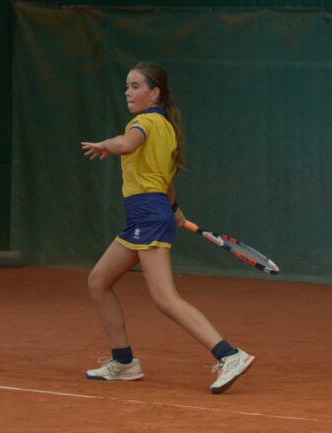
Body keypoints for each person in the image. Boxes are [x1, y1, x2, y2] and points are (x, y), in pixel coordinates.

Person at [80, 62, 254, 394]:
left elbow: (127, 144)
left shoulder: (144, 123)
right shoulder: (166, 128)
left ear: (154, 93)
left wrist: (106, 143)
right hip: (149, 213)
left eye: (135, 86)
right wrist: (173, 210)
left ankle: (229, 355)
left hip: (147, 215)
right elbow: (165, 181)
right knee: (98, 282)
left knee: (164, 297)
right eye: (127, 86)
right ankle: (124, 361)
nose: (128, 92)